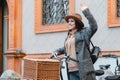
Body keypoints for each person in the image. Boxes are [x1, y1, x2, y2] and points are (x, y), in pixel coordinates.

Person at [51, 2, 98, 80]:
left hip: (83, 70)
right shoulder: (69, 36)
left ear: (77, 23)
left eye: (72, 21)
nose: (69, 23)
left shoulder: (84, 33)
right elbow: (66, 48)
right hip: (71, 70)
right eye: (68, 21)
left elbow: (94, 26)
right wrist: (56, 51)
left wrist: (86, 11)